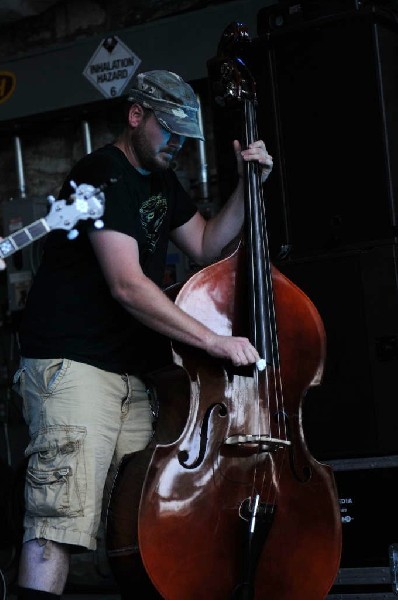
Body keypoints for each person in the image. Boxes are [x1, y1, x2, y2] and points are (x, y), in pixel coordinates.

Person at [12, 69, 273, 600]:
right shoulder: (100, 174)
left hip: (127, 375)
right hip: (73, 366)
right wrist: (213, 340)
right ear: (137, 116)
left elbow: (204, 244)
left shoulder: (160, 179)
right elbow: (128, 285)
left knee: (140, 524)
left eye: (183, 136)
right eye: (168, 131)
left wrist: (251, 186)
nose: (176, 144)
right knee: (58, 522)